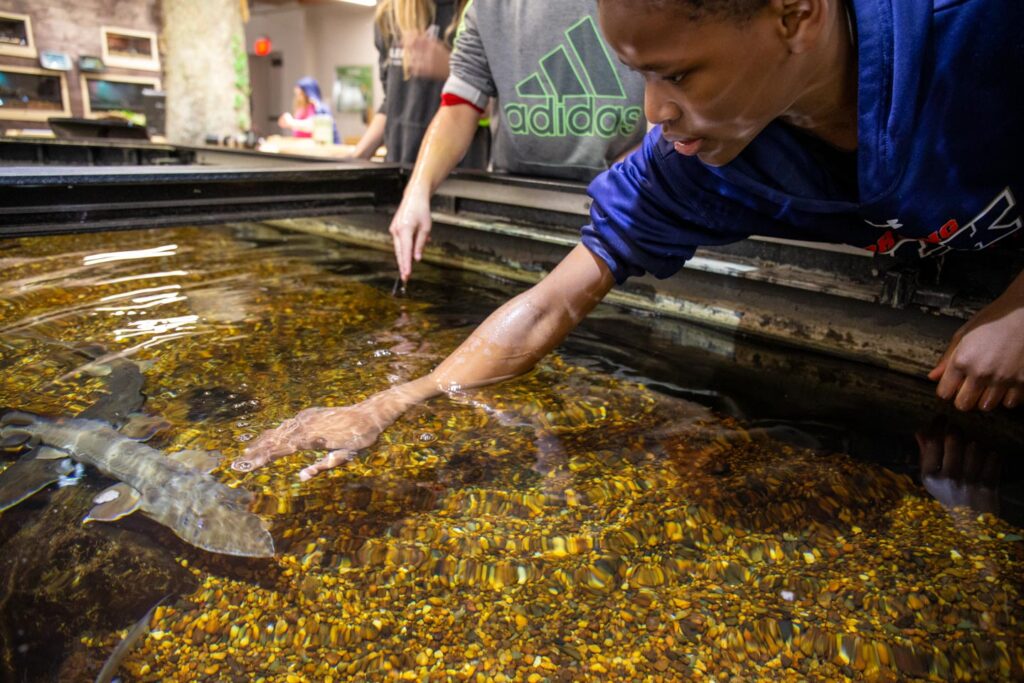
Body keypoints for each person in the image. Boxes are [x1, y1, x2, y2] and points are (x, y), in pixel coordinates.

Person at [233, 0, 1023, 480]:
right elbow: (553, 303)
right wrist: (393, 400)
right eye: (639, 76)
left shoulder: (980, 28)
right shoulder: (693, 160)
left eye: (677, 75)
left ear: (793, 15)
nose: (653, 111)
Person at [388, 0, 648, 282]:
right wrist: (418, 189)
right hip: (510, 204)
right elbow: (458, 105)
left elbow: (671, 93)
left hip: (613, 204)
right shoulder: (485, 7)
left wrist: (640, 166)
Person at [348, 0, 489, 167]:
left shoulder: (481, 10)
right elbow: (391, 105)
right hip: (400, 171)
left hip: (458, 177)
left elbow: (495, 111)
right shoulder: (390, 14)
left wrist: (451, 70)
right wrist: (354, 160)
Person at [277, 76, 339, 144]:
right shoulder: (301, 109)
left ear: (308, 93)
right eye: (296, 94)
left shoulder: (319, 108)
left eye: (300, 94)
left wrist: (291, 122)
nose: (298, 98)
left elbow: (314, 126)